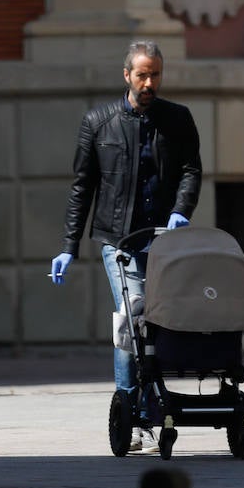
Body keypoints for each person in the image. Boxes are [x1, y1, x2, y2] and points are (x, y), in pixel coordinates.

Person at [50, 40, 202, 452]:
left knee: (156, 324)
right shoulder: (98, 122)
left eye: (155, 74)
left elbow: (191, 170)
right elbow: (83, 188)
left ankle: (150, 407)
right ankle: (132, 415)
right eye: (142, 75)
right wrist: (68, 246)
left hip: (164, 241)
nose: (149, 82)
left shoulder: (177, 119)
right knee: (131, 318)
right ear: (126, 76)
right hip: (117, 241)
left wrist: (181, 209)